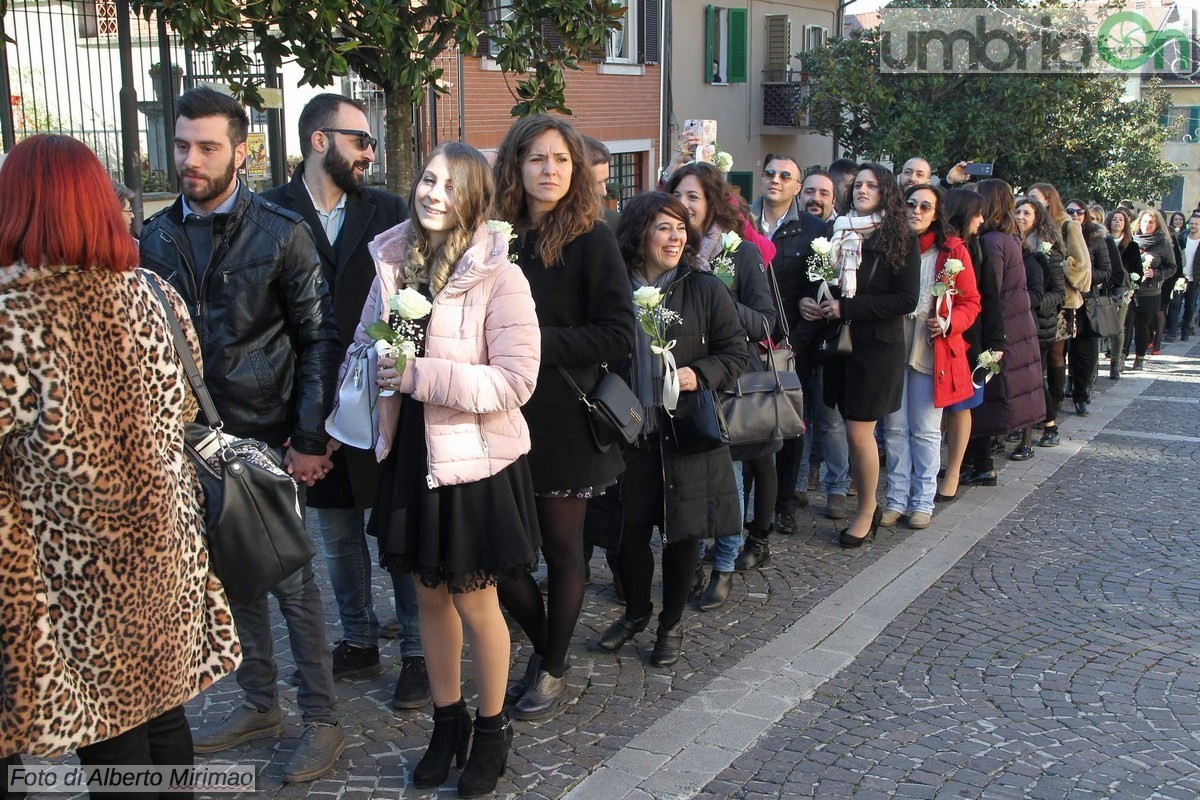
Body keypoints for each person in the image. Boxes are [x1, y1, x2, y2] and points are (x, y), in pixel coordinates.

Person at [0, 134, 240, 794]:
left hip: (71, 570)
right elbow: (185, 405)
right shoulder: (153, 293)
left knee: (113, 739)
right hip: (165, 547)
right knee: (161, 720)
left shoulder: (14, 316)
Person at [140, 87, 346, 782]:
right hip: (188, 440)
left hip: (264, 439)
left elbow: (320, 339)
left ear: (241, 152)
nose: (189, 161)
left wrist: (310, 435)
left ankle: (322, 718)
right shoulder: (157, 235)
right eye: (180, 146)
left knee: (292, 580)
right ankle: (261, 702)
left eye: (206, 147)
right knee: (231, 581)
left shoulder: (281, 231)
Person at [344, 142, 541, 798]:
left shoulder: (499, 275)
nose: (433, 193)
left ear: (475, 201)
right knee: (427, 596)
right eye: (428, 178)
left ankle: (491, 730)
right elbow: (366, 341)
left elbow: (517, 381)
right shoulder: (394, 260)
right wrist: (374, 368)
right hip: (411, 455)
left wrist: (421, 375)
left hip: (474, 461)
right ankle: (447, 721)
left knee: (474, 599)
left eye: (450, 186)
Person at [259, 93, 431, 708]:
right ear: (318, 140)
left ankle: (417, 651)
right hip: (307, 408)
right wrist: (305, 421)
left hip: (382, 401)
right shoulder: (267, 213)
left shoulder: (387, 212)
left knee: (397, 532)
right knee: (335, 534)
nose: (370, 151)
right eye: (359, 139)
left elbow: (416, 298)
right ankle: (358, 639)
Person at [492, 116, 636, 720]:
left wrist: (530, 343)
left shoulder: (591, 237)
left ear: (575, 171)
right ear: (516, 167)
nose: (548, 170)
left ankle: (551, 664)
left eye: (560, 160)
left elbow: (618, 333)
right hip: (496, 417)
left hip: (566, 421)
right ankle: (547, 640)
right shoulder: (493, 236)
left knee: (562, 550)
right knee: (498, 556)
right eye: (536, 160)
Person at [597, 192, 752, 664]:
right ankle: (638, 610)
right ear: (639, 233)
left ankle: (671, 625)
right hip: (630, 432)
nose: (676, 236)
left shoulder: (703, 288)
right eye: (663, 226)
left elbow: (737, 354)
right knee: (626, 537)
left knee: (685, 535)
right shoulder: (612, 288)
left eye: (681, 227)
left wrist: (698, 374)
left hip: (687, 434)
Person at [667, 161, 775, 606]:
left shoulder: (740, 254)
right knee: (684, 480)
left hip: (727, 382)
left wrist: (721, 296)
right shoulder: (669, 250)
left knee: (727, 479)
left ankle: (724, 565)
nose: (685, 205)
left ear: (712, 203)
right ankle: (689, 564)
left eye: (694, 197)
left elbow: (767, 323)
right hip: (681, 385)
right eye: (679, 196)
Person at [799, 163, 920, 546]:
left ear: (886, 191)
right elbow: (823, 283)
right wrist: (817, 301)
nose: (862, 190)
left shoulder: (900, 235)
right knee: (848, 430)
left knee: (858, 432)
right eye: (857, 185)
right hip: (839, 345)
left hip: (876, 349)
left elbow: (905, 299)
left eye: (871, 185)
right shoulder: (837, 230)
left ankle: (867, 508)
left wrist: (847, 309)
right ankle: (869, 502)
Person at [880, 184, 979, 530]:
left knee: (924, 429)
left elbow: (971, 301)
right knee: (893, 427)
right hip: (892, 340)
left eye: (925, 206)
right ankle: (895, 498)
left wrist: (951, 322)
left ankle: (922, 500)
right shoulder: (889, 244)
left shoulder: (952, 251)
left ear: (937, 214)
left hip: (930, 342)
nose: (916, 211)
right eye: (911, 204)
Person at [748, 156, 836, 530]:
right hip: (747, 340)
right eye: (770, 173)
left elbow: (819, 295)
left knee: (787, 427)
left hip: (791, 344)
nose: (776, 180)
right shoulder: (742, 222)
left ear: (798, 187)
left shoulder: (815, 230)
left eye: (786, 176)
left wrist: (795, 344)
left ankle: (783, 504)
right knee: (746, 424)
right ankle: (745, 506)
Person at [961, 180, 1046, 487]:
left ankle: (979, 464)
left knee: (984, 399)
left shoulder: (993, 241)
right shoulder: (1006, 238)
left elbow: (988, 290)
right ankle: (977, 463)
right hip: (1012, 328)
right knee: (986, 399)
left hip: (998, 331)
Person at [937, 189, 1004, 501]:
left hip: (971, 340)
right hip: (935, 338)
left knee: (962, 406)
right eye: (977, 213)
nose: (982, 219)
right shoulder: (938, 245)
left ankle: (953, 471)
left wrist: (995, 343)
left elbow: (990, 297)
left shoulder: (978, 248)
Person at [1026, 184, 1091, 421]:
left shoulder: (1067, 225)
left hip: (1060, 300)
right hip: (1035, 297)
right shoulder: (1027, 222)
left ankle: (1054, 401)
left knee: (1055, 353)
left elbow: (1082, 265)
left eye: (1035, 198)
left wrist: (1056, 265)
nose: (1029, 202)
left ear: (1048, 200)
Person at [1012, 197, 1061, 453]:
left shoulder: (1046, 250)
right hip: (1017, 322)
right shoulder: (1012, 243)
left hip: (1039, 323)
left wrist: (1034, 303)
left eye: (1027, 213)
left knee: (1033, 379)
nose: (1020, 216)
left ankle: (1049, 424)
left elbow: (1058, 292)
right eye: (1017, 211)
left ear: (1038, 218)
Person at [1063, 198, 1111, 416]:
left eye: (1080, 212)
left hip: (1087, 301)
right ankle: (1065, 386)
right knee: (1060, 350)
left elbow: (1108, 271)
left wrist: (1083, 277)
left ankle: (1081, 394)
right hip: (1063, 301)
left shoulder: (1097, 240)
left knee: (1084, 351)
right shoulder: (1059, 235)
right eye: (1070, 211)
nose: (1075, 215)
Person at [1128, 209, 1177, 370]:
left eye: (1151, 222)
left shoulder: (1162, 242)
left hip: (1149, 291)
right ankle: (1119, 357)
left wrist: (1155, 273)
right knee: (1125, 324)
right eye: (1144, 222)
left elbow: (1172, 267)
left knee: (1142, 325)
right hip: (1129, 289)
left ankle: (1139, 356)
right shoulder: (1131, 238)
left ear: (1156, 225)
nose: (1147, 225)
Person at [1107, 208, 1139, 379]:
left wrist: (1132, 288)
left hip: (1124, 290)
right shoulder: (1103, 241)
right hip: (1104, 288)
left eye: (1120, 219)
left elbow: (1137, 271)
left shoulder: (1132, 246)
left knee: (1118, 328)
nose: (1117, 222)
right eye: (1114, 219)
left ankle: (1115, 361)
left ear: (1125, 224)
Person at [1167, 211, 1199, 343]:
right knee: (1175, 304)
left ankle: (1185, 332)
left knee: (1190, 307)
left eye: (1196, 224)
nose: (1193, 226)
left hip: (1195, 279)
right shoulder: (1181, 236)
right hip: (1180, 277)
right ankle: (1172, 332)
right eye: (1191, 223)